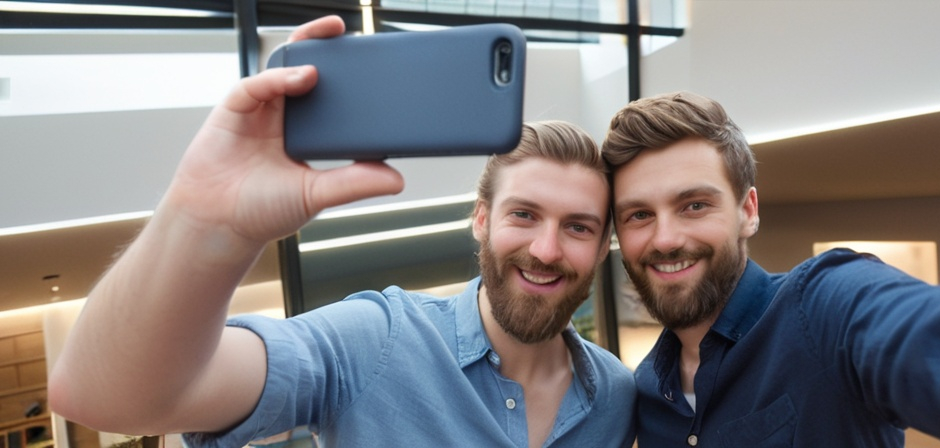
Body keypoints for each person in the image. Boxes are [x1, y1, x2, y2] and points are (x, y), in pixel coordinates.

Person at [47, 16, 636, 448]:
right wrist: (202, 221)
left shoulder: (613, 393)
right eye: (523, 215)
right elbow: (106, 397)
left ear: (602, 242)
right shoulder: (375, 340)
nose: (546, 249)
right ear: (480, 219)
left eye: (578, 227)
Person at [601, 91, 940, 447]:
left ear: (747, 211)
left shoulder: (824, 308)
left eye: (694, 205)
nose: (666, 239)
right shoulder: (646, 390)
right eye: (639, 215)